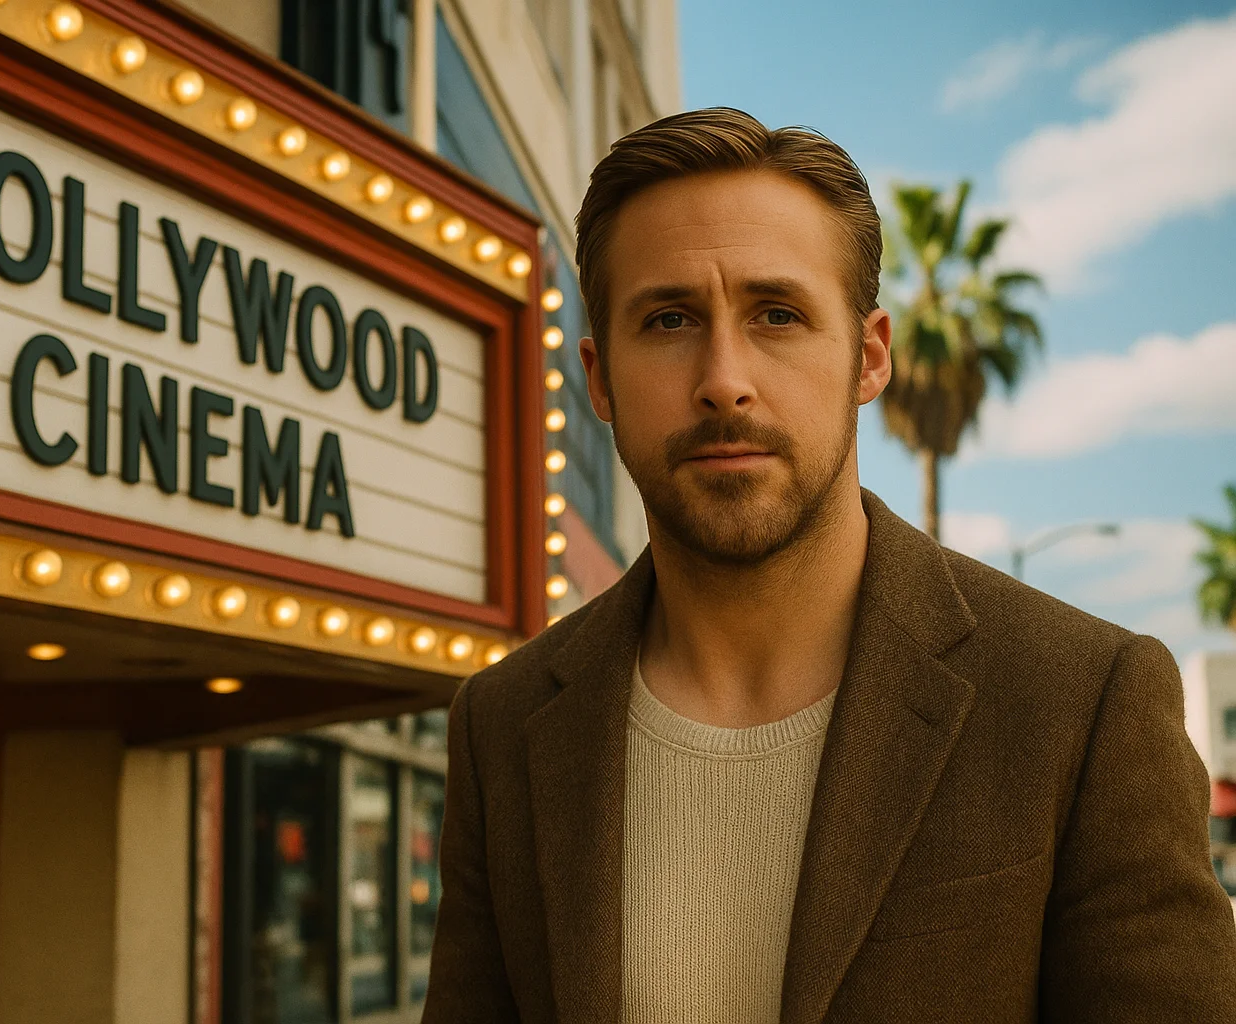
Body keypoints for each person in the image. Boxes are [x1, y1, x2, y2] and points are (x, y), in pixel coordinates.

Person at [420, 107, 1236, 1024]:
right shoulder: (503, 723)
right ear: (600, 379)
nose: (724, 377)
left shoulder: (1083, 701)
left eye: (777, 313)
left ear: (869, 356)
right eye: (669, 319)